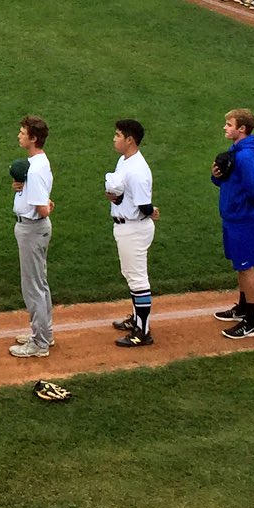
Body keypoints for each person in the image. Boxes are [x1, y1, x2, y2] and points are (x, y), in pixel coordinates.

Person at [210, 110, 254, 340]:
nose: (224, 128)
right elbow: (228, 181)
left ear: (241, 129)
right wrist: (216, 176)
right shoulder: (237, 152)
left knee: (246, 266)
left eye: (228, 124)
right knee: (240, 265)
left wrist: (243, 207)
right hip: (233, 217)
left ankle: (251, 322)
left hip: (243, 219)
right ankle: (243, 308)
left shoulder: (246, 156)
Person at [105, 119, 159, 347]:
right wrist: (115, 197)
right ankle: (137, 319)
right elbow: (123, 194)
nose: (114, 139)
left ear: (130, 140)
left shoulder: (138, 170)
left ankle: (143, 332)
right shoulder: (124, 161)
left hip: (134, 228)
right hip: (126, 225)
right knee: (130, 275)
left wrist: (152, 211)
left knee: (138, 279)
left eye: (118, 135)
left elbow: (144, 206)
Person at [9, 115, 56, 357]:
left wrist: (46, 206)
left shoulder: (35, 170)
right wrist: (21, 187)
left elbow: (42, 207)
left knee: (33, 287)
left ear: (33, 138)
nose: (19, 135)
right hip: (34, 228)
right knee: (40, 283)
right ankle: (45, 333)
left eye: (22, 132)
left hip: (32, 229)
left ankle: (39, 343)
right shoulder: (37, 164)